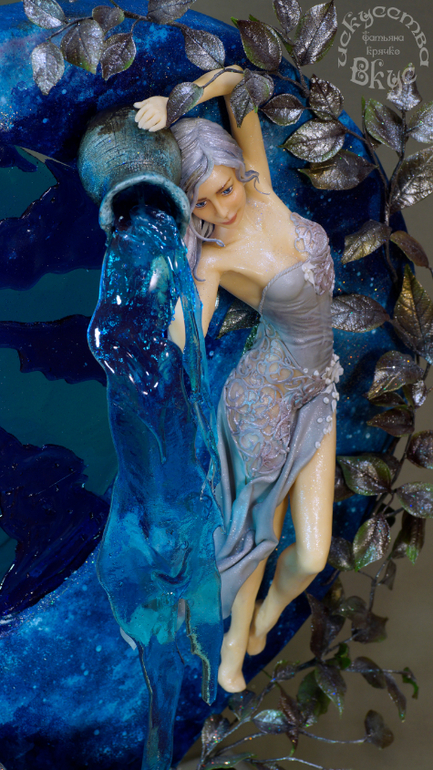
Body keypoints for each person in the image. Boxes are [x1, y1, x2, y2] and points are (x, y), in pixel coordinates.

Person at [134, 67, 341, 693]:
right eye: (201, 203)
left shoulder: (264, 190)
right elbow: (185, 335)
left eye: (225, 189)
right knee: (258, 534)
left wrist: (176, 102)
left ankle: (269, 612)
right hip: (264, 401)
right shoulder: (214, 258)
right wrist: (173, 269)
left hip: (319, 389)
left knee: (313, 554)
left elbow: (237, 81)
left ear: (237, 170)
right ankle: (231, 645)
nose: (222, 209)